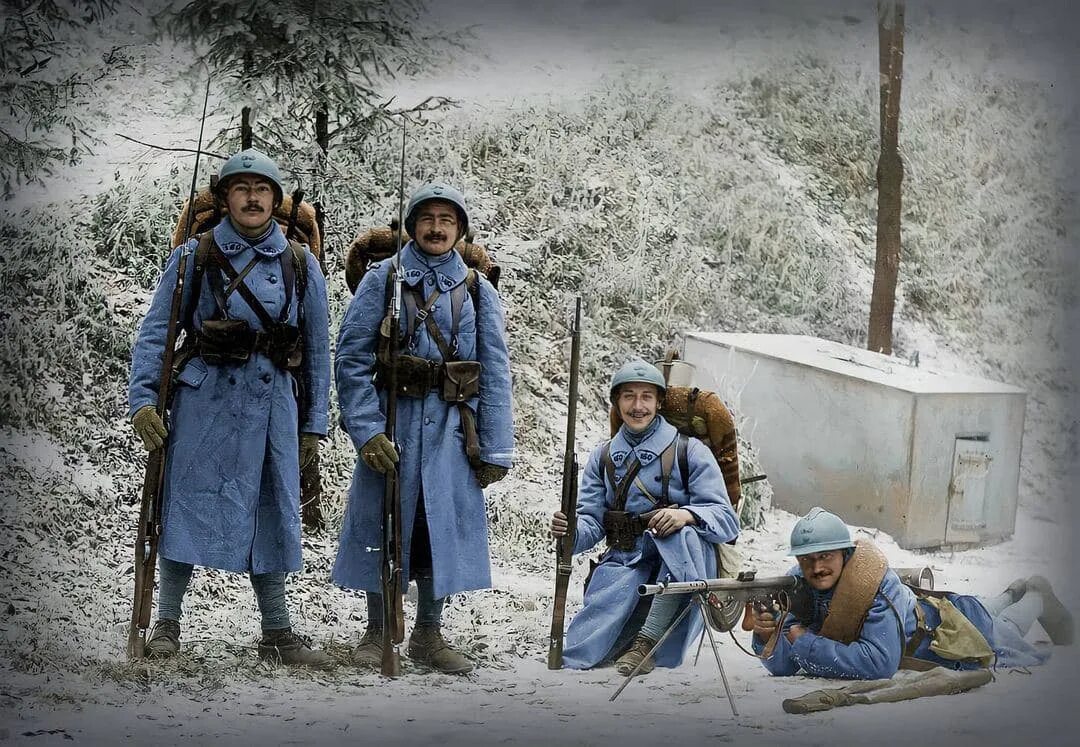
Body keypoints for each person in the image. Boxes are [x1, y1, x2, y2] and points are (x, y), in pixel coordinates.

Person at [128, 148, 332, 667]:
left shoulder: (302, 265)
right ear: (224, 198)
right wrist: (144, 401)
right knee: (185, 506)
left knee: (272, 509)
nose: (252, 197)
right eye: (241, 188)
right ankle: (167, 623)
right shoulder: (193, 256)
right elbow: (158, 332)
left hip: (272, 407)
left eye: (262, 189)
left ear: (275, 200)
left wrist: (313, 426)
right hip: (206, 399)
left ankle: (278, 631)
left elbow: (317, 352)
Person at [333, 183, 514, 675]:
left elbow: (495, 370)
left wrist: (496, 448)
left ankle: (429, 634)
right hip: (393, 426)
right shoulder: (383, 279)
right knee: (383, 522)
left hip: (453, 431)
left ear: (460, 230)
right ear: (412, 227)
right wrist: (367, 430)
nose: (436, 228)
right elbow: (351, 360)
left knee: (437, 529)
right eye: (427, 218)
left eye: (447, 220)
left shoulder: (478, 289)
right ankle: (377, 629)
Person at [550, 359, 740, 676]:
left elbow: (726, 520)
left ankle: (646, 643)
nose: (638, 406)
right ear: (616, 402)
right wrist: (569, 530)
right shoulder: (603, 457)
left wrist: (686, 515)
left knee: (681, 534)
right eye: (628, 396)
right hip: (624, 561)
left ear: (659, 402)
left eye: (646, 397)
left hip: (683, 565)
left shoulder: (689, 451)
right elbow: (592, 522)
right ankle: (625, 638)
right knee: (585, 655)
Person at [750, 507, 1074, 679]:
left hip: (947, 629)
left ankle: (1034, 596)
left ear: (845, 554)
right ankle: (1012, 591)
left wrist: (802, 639)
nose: (816, 567)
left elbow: (879, 664)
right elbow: (785, 667)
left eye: (825, 557)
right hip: (943, 609)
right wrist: (768, 637)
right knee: (987, 606)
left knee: (1004, 631)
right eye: (807, 559)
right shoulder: (798, 587)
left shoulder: (876, 586)